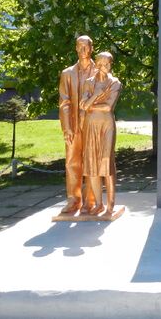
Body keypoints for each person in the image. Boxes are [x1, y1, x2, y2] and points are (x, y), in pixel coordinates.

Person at [58, 35, 97, 214]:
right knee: (71, 162)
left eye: (86, 46)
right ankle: (73, 200)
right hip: (73, 125)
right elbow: (64, 102)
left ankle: (90, 201)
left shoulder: (100, 72)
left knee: (91, 163)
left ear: (92, 48)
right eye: (79, 46)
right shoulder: (67, 73)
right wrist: (66, 127)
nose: (82, 50)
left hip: (93, 126)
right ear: (75, 48)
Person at [79, 52, 121, 215]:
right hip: (91, 125)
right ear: (97, 64)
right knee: (92, 164)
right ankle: (98, 204)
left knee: (106, 161)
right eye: (103, 63)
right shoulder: (89, 82)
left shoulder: (114, 83)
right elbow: (83, 105)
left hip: (106, 125)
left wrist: (90, 105)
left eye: (109, 63)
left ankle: (110, 204)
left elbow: (108, 107)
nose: (107, 66)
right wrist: (96, 96)